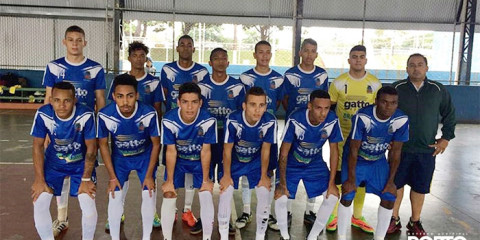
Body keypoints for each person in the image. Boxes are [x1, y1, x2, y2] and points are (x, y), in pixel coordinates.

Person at [41, 25, 106, 237]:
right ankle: (61, 218)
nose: (75, 44)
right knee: (62, 174)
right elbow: (48, 98)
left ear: (85, 43)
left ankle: (87, 221)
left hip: (84, 131)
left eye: (79, 40)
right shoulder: (53, 67)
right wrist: (46, 132)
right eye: (71, 40)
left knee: (85, 172)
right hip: (59, 130)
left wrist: (102, 131)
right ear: (64, 42)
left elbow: (100, 101)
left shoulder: (95, 69)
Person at [387, 53, 456, 236]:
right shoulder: (396, 88)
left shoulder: (437, 89)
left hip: (426, 150)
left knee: (420, 187)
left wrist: (446, 138)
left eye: (420, 65)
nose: (416, 68)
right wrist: (386, 139)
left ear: (426, 68)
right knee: (396, 185)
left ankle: (415, 221)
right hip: (399, 149)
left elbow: (449, 114)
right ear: (406, 68)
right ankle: (393, 219)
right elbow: (384, 114)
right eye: (412, 65)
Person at [105, 41, 164, 230]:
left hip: (145, 137)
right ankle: (117, 212)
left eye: (142, 56)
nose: (138, 59)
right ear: (129, 57)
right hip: (122, 140)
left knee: (148, 181)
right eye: (135, 55)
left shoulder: (154, 82)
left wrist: (155, 131)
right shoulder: (119, 81)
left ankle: (151, 212)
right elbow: (111, 108)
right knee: (119, 182)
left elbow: (157, 109)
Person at [337, 86, 409, 240]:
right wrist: (350, 179)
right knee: (348, 193)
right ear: (376, 101)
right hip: (357, 160)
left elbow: (396, 153)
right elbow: (353, 149)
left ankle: (380, 237)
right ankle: (342, 236)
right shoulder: (363, 117)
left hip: (378, 161)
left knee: (389, 196)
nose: (388, 106)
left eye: (393, 103)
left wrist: (391, 182)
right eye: (384, 102)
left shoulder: (401, 119)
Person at [31, 82, 97, 240]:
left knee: (87, 204)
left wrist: (86, 179)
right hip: (53, 165)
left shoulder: (86, 115)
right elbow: (37, 147)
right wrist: (39, 180)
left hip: (80, 165)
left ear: (74, 100)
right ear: (51, 100)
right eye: (57, 100)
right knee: (39, 202)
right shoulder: (43, 114)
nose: (61, 105)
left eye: (66, 100)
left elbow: (91, 149)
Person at [97, 74, 160, 240]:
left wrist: (148, 175)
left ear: (137, 96)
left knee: (148, 194)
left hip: (144, 157)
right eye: (120, 96)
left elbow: (156, 144)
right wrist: (111, 176)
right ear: (113, 97)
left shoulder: (149, 113)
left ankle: (146, 237)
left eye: (130, 96)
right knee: (115, 195)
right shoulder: (105, 115)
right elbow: (103, 145)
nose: (125, 102)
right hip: (120, 159)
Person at [326, 45, 382, 233]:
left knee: (361, 180)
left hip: (366, 142)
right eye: (354, 57)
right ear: (348, 60)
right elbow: (330, 109)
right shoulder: (339, 82)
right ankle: (333, 216)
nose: (358, 60)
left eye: (361, 57)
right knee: (342, 177)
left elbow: (379, 111)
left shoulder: (374, 84)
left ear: (366, 60)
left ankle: (356, 217)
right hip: (343, 140)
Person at [274, 90, 343, 240]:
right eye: (319, 108)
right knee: (281, 197)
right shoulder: (295, 118)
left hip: (315, 163)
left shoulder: (332, 120)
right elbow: (284, 152)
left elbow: (334, 151)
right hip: (292, 162)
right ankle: (285, 236)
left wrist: (332, 183)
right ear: (310, 106)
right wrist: (283, 184)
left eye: (326, 108)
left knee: (332, 196)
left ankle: (312, 236)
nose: (323, 113)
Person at [160, 35, 210, 227]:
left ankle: (187, 210)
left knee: (192, 168)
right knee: (173, 167)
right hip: (176, 126)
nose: (186, 48)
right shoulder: (167, 69)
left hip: (196, 126)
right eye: (182, 45)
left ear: (194, 49)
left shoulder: (202, 72)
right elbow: (165, 94)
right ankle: (171, 210)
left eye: (189, 45)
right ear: (177, 48)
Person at [217, 87, 277, 240]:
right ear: (244, 106)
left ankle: (260, 236)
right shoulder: (233, 119)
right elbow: (227, 150)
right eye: (253, 105)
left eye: (262, 105)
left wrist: (264, 175)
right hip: (235, 161)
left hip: (255, 162)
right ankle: (223, 236)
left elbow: (266, 150)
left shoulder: (270, 121)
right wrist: (227, 175)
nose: (257, 110)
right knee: (225, 191)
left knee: (264, 192)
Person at [196, 48, 245, 234]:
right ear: (210, 62)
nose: (220, 61)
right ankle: (204, 218)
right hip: (207, 139)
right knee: (205, 178)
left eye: (223, 58)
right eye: (216, 58)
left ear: (228, 62)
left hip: (229, 140)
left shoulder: (238, 87)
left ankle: (226, 219)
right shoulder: (201, 86)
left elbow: (242, 113)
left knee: (227, 178)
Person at [281, 38, 329, 226]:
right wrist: (295, 114)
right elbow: (284, 98)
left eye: (313, 51)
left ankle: (310, 210)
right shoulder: (291, 74)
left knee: (313, 167)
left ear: (316, 54)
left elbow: (325, 99)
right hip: (295, 129)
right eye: (306, 50)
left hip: (315, 129)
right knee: (291, 166)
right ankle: (289, 210)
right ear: (300, 52)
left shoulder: (322, 75)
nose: (309, 54)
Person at [160, 82, 217, 240]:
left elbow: (206, 151)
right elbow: (170, 151)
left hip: (199, 161)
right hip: (179, 160)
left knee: (206, 192)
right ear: (178, 102)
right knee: (169, 192)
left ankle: (206, 237)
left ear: (200, 103)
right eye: (185, 102)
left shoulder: (208, 120)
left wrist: (206, 180)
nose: (190, 107)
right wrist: (170, 180)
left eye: (194, 102)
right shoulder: (169, 120)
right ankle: (166, 237)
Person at [239, 40, 284, 231]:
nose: (264, 56)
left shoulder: (279, 79)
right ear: (254, 54)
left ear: (271, 55)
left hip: (269, 131)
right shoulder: (245, 77)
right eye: (260, 52)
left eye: (268, 52)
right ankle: (246, 211)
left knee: (269, 171)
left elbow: (282, 101)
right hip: (248, 131)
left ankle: (267, 212)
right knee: (247, 169)